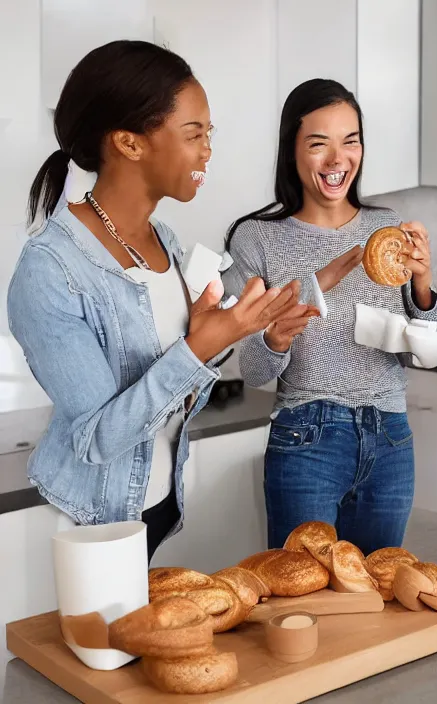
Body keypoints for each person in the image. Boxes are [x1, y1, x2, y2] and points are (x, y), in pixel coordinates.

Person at [6, 40, 303, 562]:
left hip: (161, 505)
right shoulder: (50, 269)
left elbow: (178, 404)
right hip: (91, 521)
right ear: (129, 142)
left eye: (209, 133)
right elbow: (98, 439)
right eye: (193, 134)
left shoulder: (164, 241)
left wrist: (211, 344)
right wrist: (200, 347)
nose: (207, 149)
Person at [222, 78, 437, 556]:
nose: (337, 159)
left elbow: (431, 347)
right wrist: (278, 338)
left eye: (350, 141)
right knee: (303, 596)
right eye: (318, 144)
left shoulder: (387, 229)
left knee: (378, 596)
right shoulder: (257, 239)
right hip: (307, 438)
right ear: (292, 151)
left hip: (390, 436)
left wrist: (423, 284)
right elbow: (253, 371)